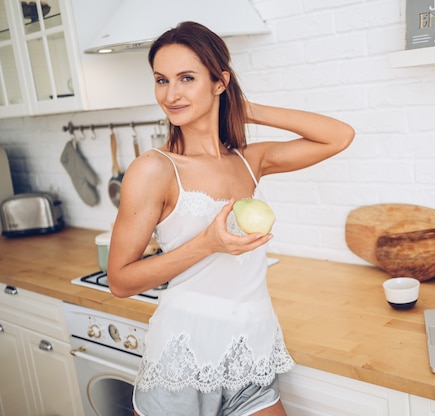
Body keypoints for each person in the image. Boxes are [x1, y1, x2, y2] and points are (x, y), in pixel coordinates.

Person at [107, 21, 354, 416]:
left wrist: (244, 108)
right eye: (161, 80)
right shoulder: (154, 169)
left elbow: (338, 136)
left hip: (252, 349)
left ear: (219, 82)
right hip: (184, 356)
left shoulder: (248, 161)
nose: (171, 95)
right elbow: (119, 280)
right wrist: (207, 243)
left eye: (187, 78)